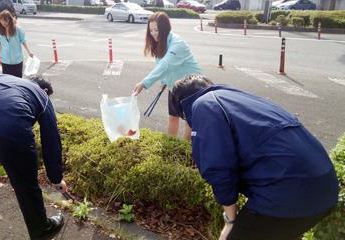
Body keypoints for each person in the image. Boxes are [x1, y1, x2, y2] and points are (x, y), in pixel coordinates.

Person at [170, 74, 339, 240]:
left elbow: (217, 168)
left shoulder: (203, 105)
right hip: (326, 187)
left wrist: (230, 220)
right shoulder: (238, 96)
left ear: (183, 105)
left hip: (288, 192)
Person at [0, 74, 67, 240]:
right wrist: (56, 178)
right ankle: (40, 230)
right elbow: (51, 139)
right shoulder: (41, 95)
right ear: (45, 90)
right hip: (12, 126)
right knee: (26, 185)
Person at [132, 12, 202, 141]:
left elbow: (165, 65)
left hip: (191, 86)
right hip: (175, 85)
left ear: (164, 29)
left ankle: (183, 150)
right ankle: (170, 145)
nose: (153, 33)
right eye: (151, 30)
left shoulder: (177, 43)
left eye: (156, 30)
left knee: (188, 121)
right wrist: (163, 81)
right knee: (172, 116)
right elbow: (160, 62)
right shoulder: (160, 42)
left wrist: (144, 83)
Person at [0, 10, 33, 78]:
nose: (3, 23)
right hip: (5, 59)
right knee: (7, 80)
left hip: (17, 59)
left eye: (5, 20)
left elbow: (23, 40)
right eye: (1, 20)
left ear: (10, 20)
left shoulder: (17, 29)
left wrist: (29, 52)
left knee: (17, 80)